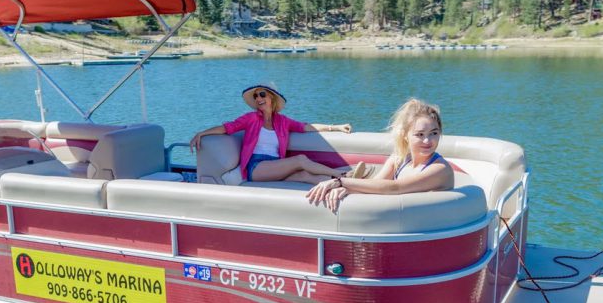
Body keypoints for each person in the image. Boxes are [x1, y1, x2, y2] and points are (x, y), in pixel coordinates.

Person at [188, 84, 361, 184]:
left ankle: (345, 183)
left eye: (261, 94)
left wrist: (336, 127)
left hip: (275, 165)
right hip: (256, 167)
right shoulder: (251, 118)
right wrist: (202, 133)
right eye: (255, 96)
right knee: (300, 160)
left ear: (271, 98)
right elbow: (228, 127)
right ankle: (342, 174)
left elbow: (307, 127)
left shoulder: (282, 121)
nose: (258, 98)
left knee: (304, 175)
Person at [306, 98, 454, 212]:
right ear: (405, 135)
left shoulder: (440, 169)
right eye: (420, 134)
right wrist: (346, 190)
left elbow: (395, 188)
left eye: (434, 133)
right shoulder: (399, 159)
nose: (427, 140)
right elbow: (376, 185)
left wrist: (340, 182)